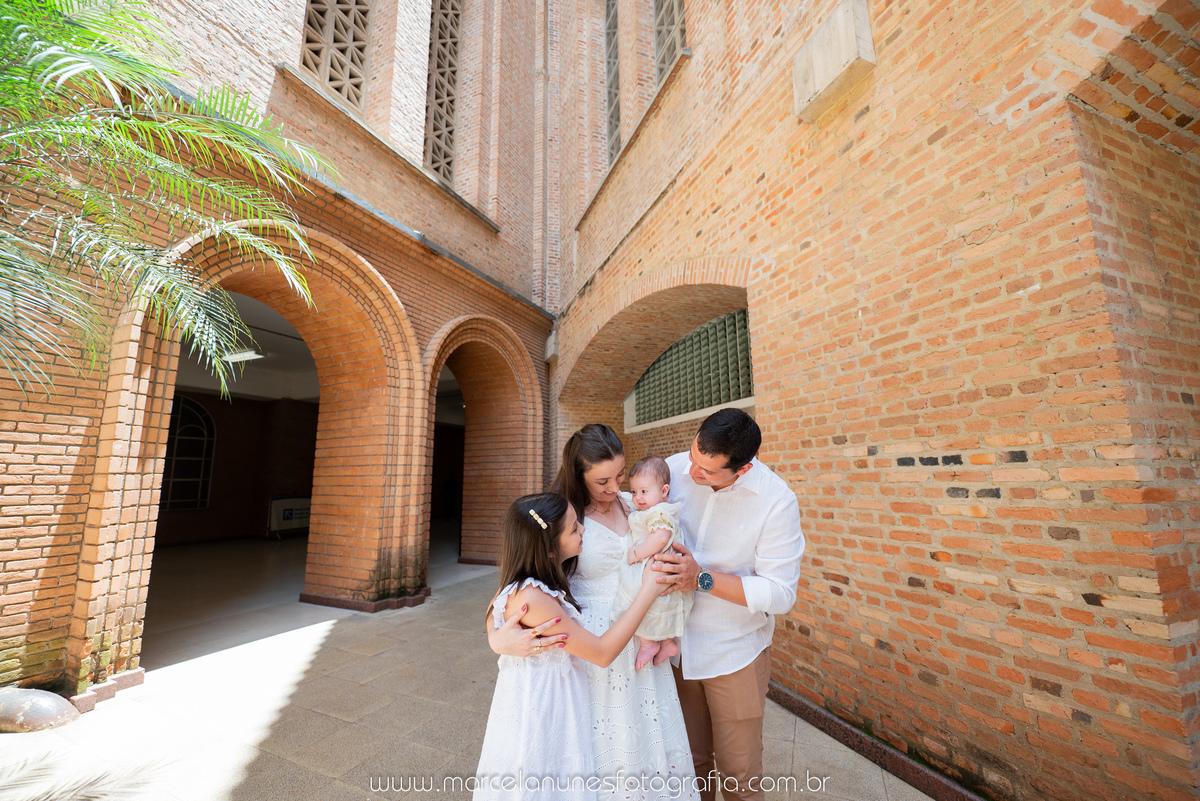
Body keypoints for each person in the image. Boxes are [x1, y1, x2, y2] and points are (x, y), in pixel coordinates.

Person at [489, 424, 698, 801]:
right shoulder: (560, 516)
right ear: (578, 474)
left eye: (620, 474)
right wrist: (496, 636)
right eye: (603, 480)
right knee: (602, 747)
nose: (614, 486)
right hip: (594, 642)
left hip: (640, 634)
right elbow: (516, 585)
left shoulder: (636, 503)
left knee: (648, 739)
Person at [651, 408, 805, 801]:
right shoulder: (672, 470)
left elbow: (780, 594)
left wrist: (700, 577)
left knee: (739, 773)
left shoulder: (776, 501)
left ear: (743, 469)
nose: (694, 472)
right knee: (689, 765)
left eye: (708, 471)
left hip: (734, 652)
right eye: (694, 457)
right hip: (675, 649)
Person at [474, 492, 664, 801]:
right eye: (575, 528)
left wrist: (495, 636)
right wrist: (649, 590)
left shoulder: (532, 583)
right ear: (549, 550)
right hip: (542, 707)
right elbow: (601, 653)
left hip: (555, 697)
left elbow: (492, 609)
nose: (584, 530)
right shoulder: (533, 599)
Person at [612, 455, 691, 670]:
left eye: (644, 491)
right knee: (657, 606)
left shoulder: (659, 512)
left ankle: (649, 643)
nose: (638, 497)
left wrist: (636, 553)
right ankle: (667, 643)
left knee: (642, 605)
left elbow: (660, 538)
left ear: (664, 491)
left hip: (654, 566)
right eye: (634, 491)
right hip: (658, 569)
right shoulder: (651, 509)